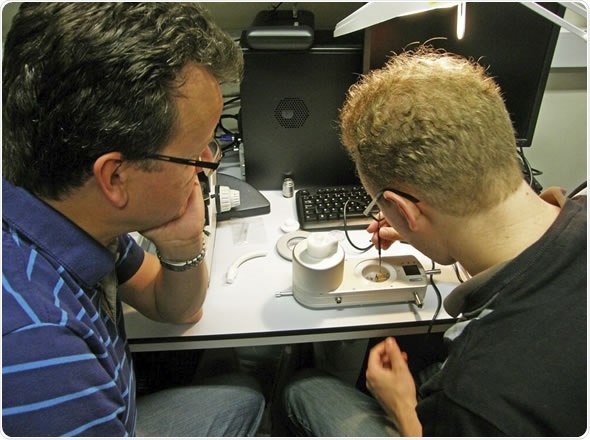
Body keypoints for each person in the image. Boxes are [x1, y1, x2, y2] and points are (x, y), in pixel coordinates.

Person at [282, 46, 586, 436]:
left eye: (380, 205)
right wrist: (432, 235)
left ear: (403, 210)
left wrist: (403, 408)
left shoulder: (469, 396)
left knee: (304, 389)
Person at [2, 3, 265, 436]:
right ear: (115, 177)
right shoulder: (40, 350)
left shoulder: (68, 210)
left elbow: (176, 307)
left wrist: (182, 245)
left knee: (244, 397)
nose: (205, 166)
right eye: (195, 153)